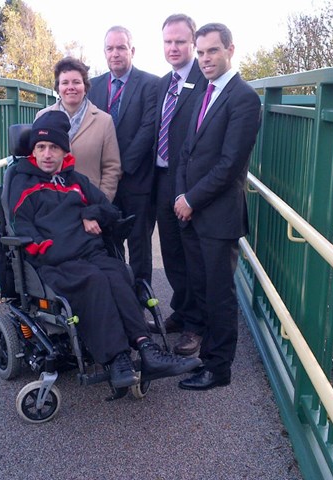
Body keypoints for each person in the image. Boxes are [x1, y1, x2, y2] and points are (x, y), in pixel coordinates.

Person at [8, 110, 201, 389]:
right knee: (95, 279)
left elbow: (111, 210)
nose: (47, 154)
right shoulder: (21, 182)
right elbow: (21, 227)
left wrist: (91, 212)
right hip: (55, 261)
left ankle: (146, 348)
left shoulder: (77, 181)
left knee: (120, 272)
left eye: (54, 148)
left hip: (91, 255)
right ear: (33, 151)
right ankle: (118, 359)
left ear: (65, 152)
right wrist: (48, 248)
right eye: (41, 147)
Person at [174, 23, 261, 390]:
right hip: (193, 214)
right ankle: (207, 356)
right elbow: (185, 151)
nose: (205, 59)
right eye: (201, 52)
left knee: (220, 294)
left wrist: (191, 199)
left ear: (230, 49)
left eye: (212, 51)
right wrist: (181, 197)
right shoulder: (202, 92)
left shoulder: (244, 98)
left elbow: (230, 165)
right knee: (202, 287)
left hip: (218, 215)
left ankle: (219, 368)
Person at [149, 14, 208, 357]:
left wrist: (193, 189)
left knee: (192, 255)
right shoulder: (163, 84)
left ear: (193, 43)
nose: (173, 48)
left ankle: (196, 326)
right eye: (168, 42)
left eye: (180, 42)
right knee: (171, 251)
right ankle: (182, 310)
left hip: (188, 181)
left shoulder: (205, 82)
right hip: (161, 179)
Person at [88, 26, 159, 284]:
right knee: (106, 243)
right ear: (104, 52)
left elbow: (148, 130)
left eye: (121, 48)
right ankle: (116, 298)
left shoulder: (152, 84)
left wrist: (119, 168)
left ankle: (141, 301)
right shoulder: (92, 86)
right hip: (101, 182)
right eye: (110, 48)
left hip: (136, 180)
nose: (115, 53)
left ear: (132, 50)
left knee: (139, 245)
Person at [36, 57, 122, 201]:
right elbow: (34, 159)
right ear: (58, 87)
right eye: (65, 82)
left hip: (89, 204)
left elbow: (112, 168)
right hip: (50, 204)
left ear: (85, 86)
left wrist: (101, 204)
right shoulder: (42, 116)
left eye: (76, 82)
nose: (71, 87)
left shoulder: (104, 121)